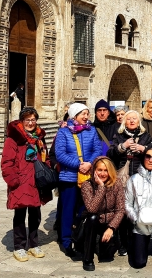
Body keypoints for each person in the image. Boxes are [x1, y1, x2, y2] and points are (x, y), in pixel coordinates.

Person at [0, 107, 52, 262]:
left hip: (37, 182)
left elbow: (45, 158)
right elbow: (6, 162)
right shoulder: (13, 139)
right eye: (27, 120)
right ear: (22, 121)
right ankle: (19, 246)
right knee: (20, 215)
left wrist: (48, 172)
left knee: (35, 215)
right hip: (21, 183)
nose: (31, 123)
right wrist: (13, 181)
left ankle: (33, 244)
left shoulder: (39, 139)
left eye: (33, 119)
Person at [55, 103, 103, 257]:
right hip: (69, 177)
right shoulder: (63, 132)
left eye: (87, 113)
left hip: (87, 177)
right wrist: (78, 164)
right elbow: (60, 154)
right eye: (83, 113)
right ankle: (66, 242)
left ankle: (81, 238)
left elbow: (97, 149)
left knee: (84, 210)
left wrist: (89, 163)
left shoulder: (92, 130)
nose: (86, 116)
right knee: (68, 210)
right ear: (74, 115)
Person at [107, 110, 152, 256]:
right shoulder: (119, 135)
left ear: (139, 121)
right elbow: (110, 153)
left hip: (140, 178)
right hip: (123, 178)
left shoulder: (145, 136)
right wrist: (123, 146)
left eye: (134, 118)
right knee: (123, 210)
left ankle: (138, 241)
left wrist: (143, 149)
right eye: (129, 119)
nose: (132, 121)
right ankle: (123, 243)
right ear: (124, 121)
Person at [81, 156, 125, 272]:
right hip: (92, 223)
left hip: (108, 222)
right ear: (94, 171)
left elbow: (120, 209)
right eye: (99, 170)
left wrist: (112, 227)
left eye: (106, 170)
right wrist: (101, 188)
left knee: (106, 256)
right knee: (93, 217)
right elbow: (91, 209)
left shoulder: (117, 183)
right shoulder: (87, 185)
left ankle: (114, 245)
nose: (103, 173)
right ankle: (88, 257)